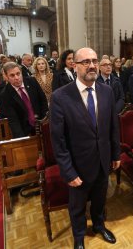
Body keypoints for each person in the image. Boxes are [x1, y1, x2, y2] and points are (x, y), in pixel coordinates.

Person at [50, 47, 120, 249]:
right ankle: (79, 236)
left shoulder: (106, 91)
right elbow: (58, 139)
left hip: (103, 160)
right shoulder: (61, 96)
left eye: (94, 61)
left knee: (100, 199)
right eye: (85, 62)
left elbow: (113, 126)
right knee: (78, 206)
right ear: (74, 65)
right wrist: (68, 171)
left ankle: (98, 225)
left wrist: (115, 153)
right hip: (78, 165)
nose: (91, 65)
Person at [0, 62, 48, 138]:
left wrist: (44, 122)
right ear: (6, 77)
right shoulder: (5, 94)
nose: (16, 77)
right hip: (24, 129)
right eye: (12, 75)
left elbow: (43, 100)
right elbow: (13, 119)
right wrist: (22, 139)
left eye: (18, 74)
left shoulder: (32, 81)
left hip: (41, 122)